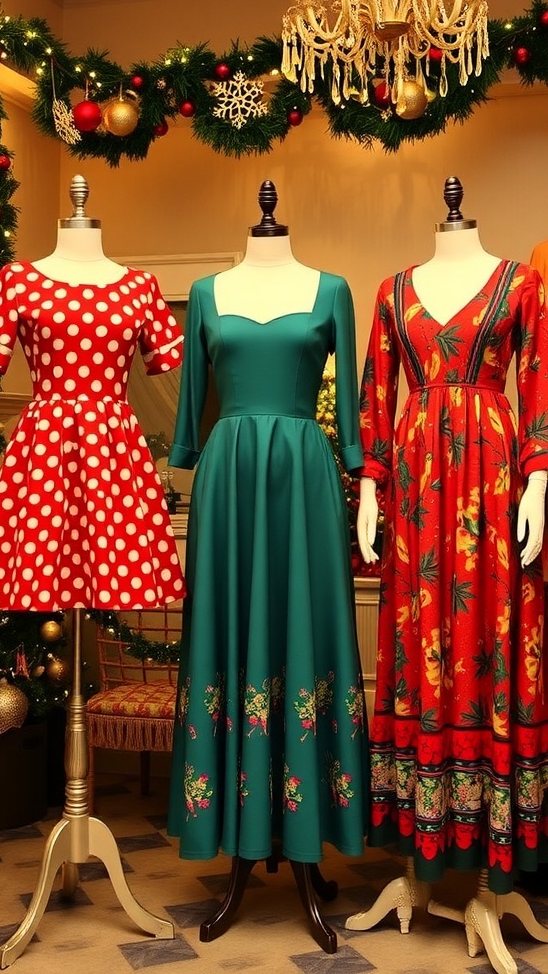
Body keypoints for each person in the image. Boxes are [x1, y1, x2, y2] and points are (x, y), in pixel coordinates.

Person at [166, 182, 368, 945]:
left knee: (304, 637)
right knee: (230, 636)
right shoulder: (206, 294)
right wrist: (185, 452)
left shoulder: (332, 291)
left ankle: (305, 831)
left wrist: (355, 461)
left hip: (307, 480)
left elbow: (347, 410)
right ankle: (240, 830)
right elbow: (192, 408)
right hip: (228, 478)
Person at [356, 180, 548, 896]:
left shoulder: (520, 283)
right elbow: (378, 390)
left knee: (491, 628)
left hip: (495, 475)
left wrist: (540, 479)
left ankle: (488, 850)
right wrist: (370, 487)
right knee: (418, 633)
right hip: (414, 484)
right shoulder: (392, 290)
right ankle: (422, 843)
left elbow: (539, 381)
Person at [0, 175, 185, 611]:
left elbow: (164, 359)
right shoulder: (16, 281)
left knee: (114, 552)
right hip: (45, 442)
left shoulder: (141, 287)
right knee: (41, 541)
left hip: (113, 445)